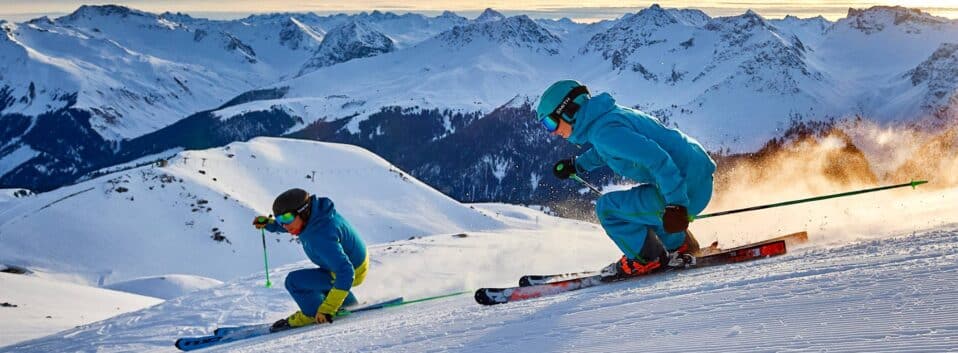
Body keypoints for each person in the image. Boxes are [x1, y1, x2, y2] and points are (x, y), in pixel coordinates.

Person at [535, 80, 716, 279]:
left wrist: (677, 205)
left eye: (551, 122)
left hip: (687, 190)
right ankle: (678, 245)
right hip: (694, 178)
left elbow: (659, 159)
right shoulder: (606, 120)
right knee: (640, 207)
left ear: (569, 110)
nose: (552, 131)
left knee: (607, 209)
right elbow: (609, 150)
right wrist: (578, 165)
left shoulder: (605, 133)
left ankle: (647, 259)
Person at [253, 188, 368, 331]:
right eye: (280, 219)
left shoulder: (320, 235)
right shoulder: (315, 216)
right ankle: (347, 303)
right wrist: (270, 224)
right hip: (347, 263)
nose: (284, 225)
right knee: (321, 276)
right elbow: (289, 225)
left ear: (303, 212)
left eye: (287, 218)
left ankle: (312, 314)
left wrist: (328, 309)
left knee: (294, 282)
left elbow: (345, 271)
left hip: (351, 270)